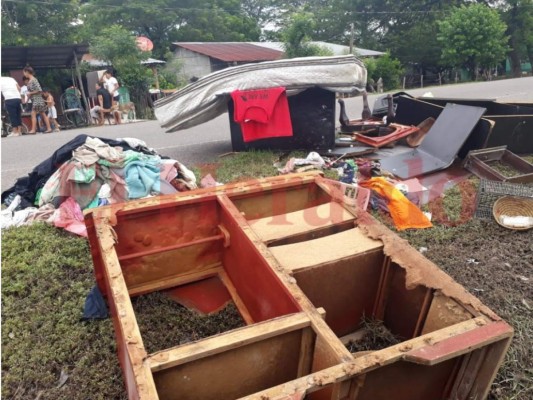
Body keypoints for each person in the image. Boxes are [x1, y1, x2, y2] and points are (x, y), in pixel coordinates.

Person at [23, 66, 52, 134]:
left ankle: (33, 130)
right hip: (36, 99)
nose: (24, 74)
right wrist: (28, 99)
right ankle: (49, 128)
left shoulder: (33, 80)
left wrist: (30, 93)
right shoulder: (31, 80)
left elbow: (39, 90)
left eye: (24, 72)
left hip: (37, 99)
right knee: (43, 114)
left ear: (27, 72)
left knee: (33, 114)